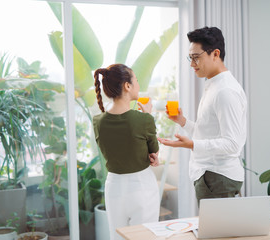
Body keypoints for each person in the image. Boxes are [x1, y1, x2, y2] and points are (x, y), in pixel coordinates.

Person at [158, 26, 247, 203]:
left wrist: (191, 144)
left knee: (219, 231)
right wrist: (183, 122)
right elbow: (209, 131)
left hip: (217, 177)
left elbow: (232, 144)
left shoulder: (225, 91)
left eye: (196, 58)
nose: (192, 64)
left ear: (215, 54)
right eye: (190, 58)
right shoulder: (214, 85)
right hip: (212, 176)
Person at [92, 64, 160, 240]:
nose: (138, 84)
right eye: (136, 80)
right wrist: (148, 116)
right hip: (142, 187)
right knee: (145, 237)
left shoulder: (98, 121)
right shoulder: (144, 120)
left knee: (118, 237)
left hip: (114, 188)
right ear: (127, 86)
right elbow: (154, 152)